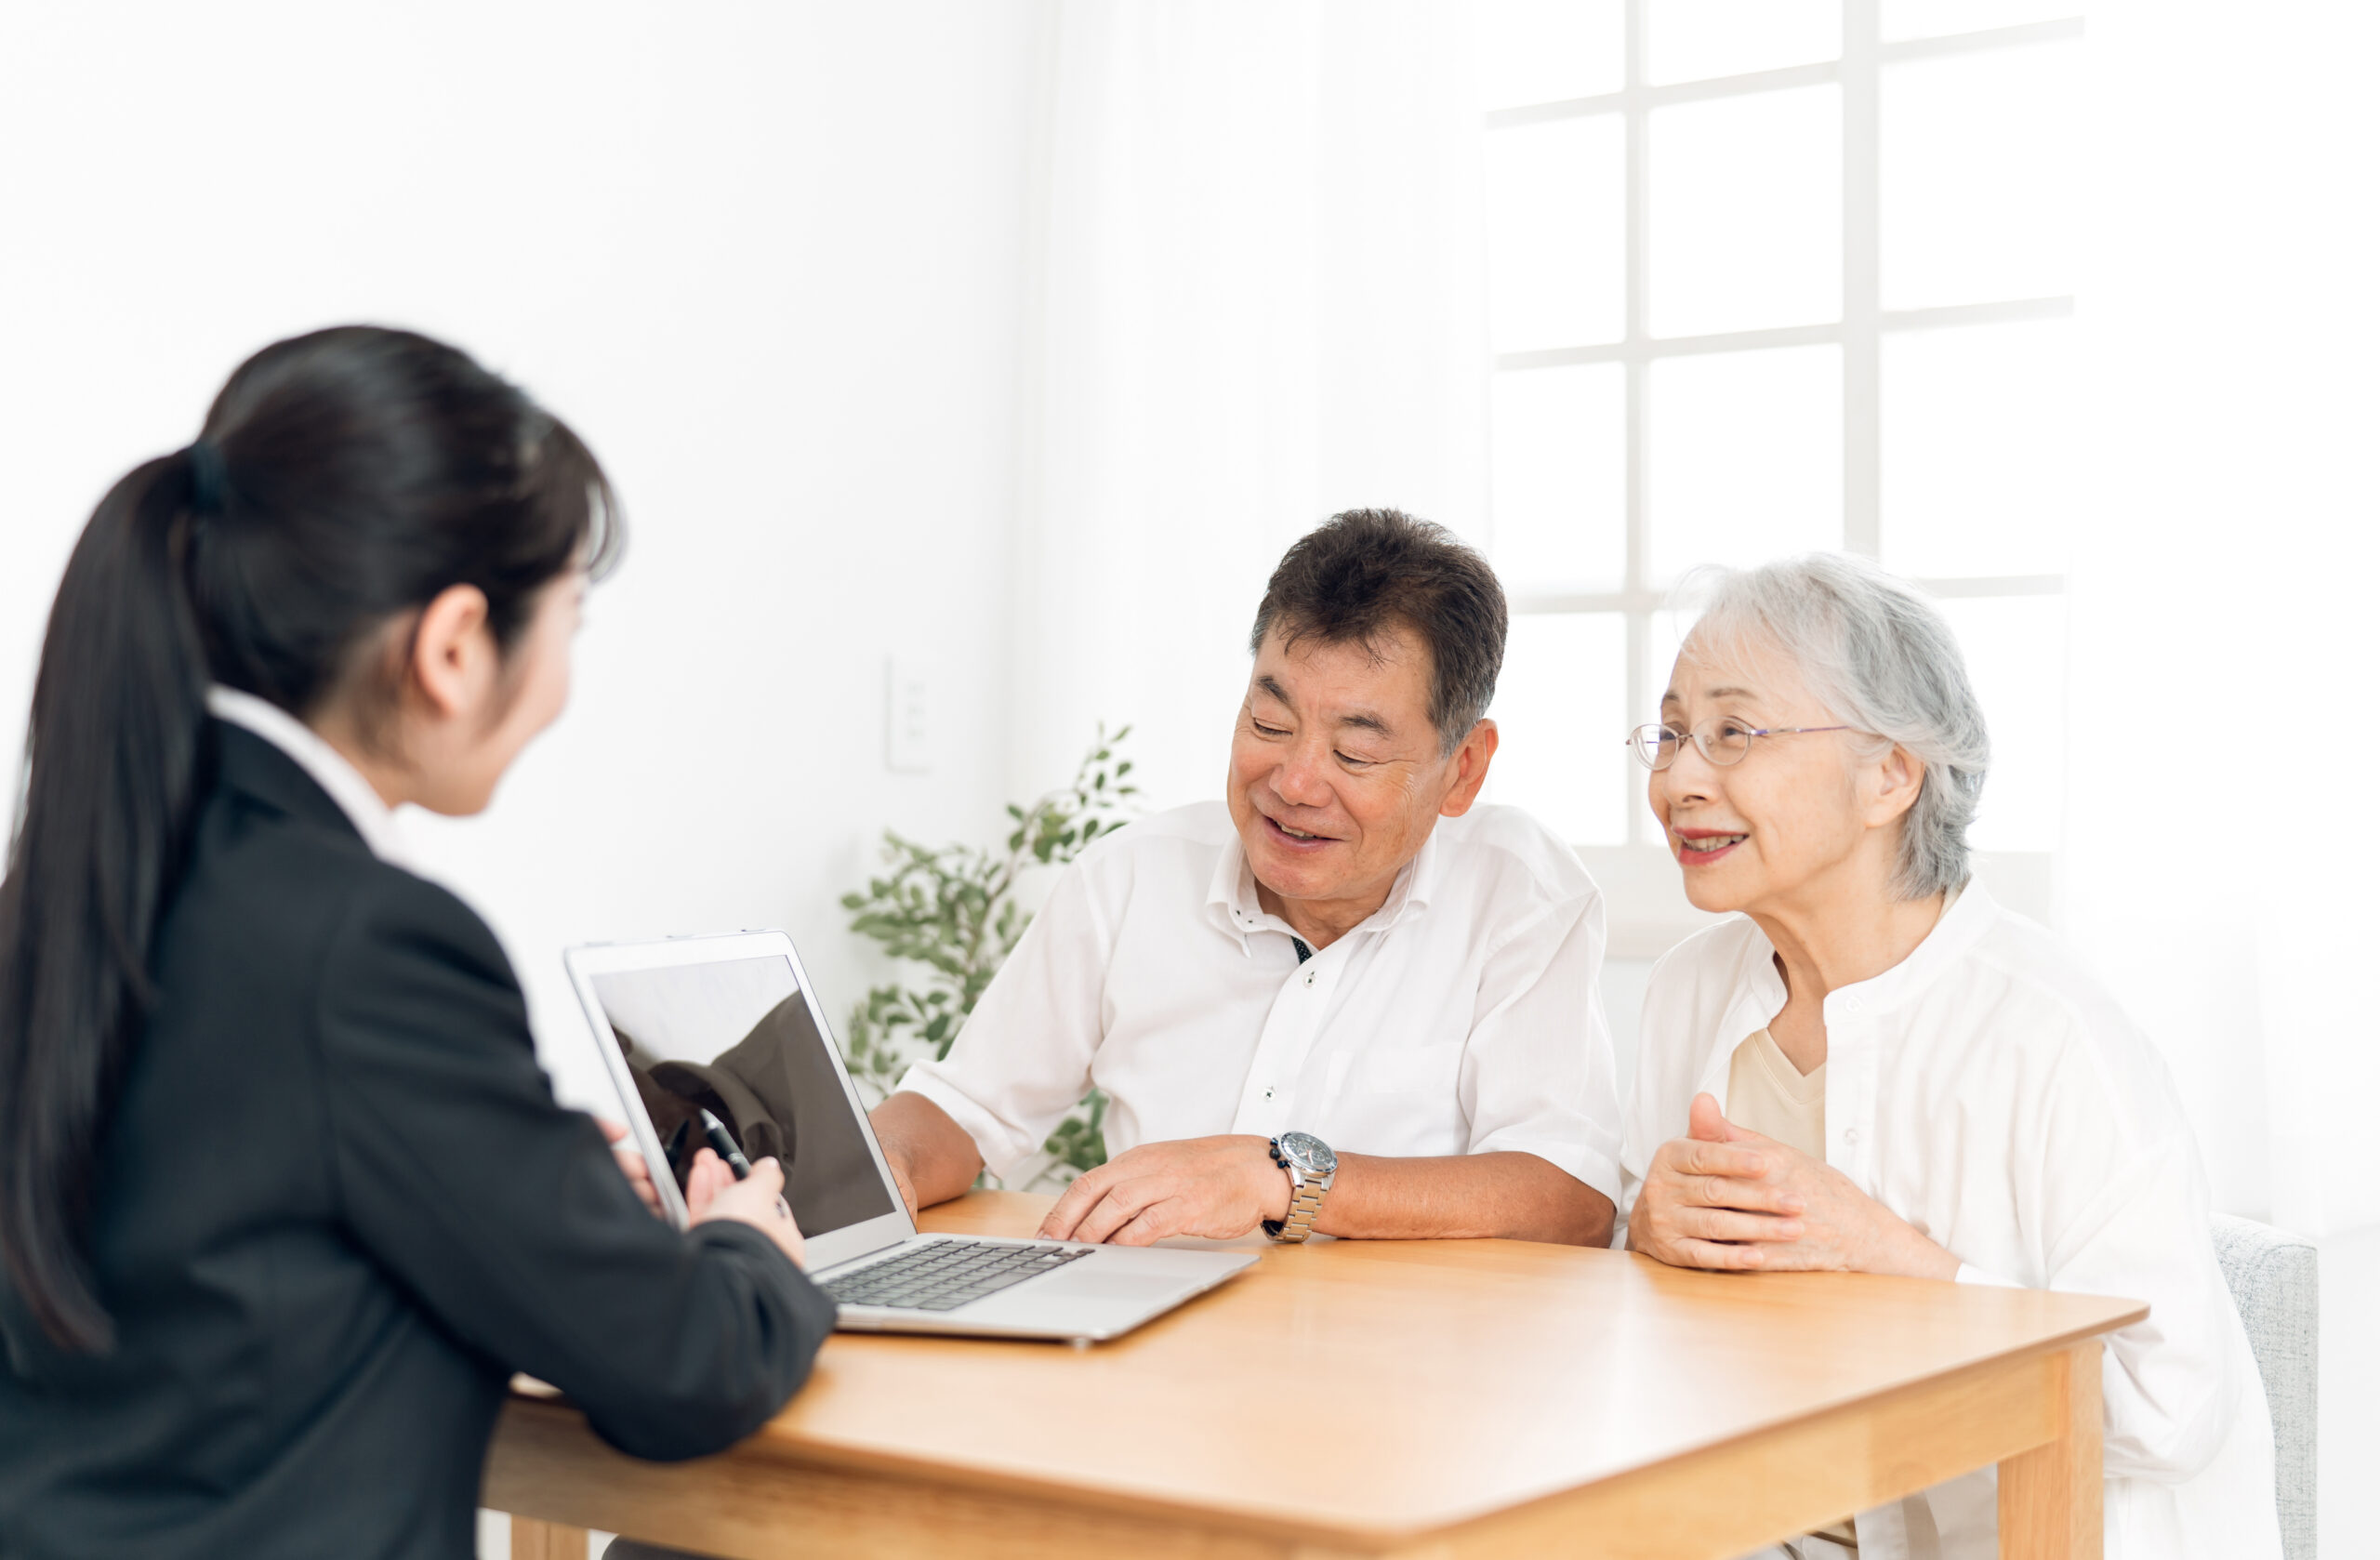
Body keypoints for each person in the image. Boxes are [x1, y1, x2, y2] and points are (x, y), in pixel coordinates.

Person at [0, 327, 831, 1560]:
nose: (561, 680)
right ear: (452, 647)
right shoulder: (364, 943)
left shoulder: (75, 884)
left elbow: (240, 1225)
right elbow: (682, 1364)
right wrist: (748, 1248)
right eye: (569, 622)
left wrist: (526, 1181)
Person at [1619, 553, 2281, 1560]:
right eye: (1669, 734)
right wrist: (1642, 1239)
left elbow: (2170, 1409)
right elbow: (1638, 1354)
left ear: (1889, 773)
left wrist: (1887, 1254)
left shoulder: (2054, 1036)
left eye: (1733, 733)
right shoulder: (1685, 993)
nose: (1677, 779)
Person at [871, 509, 1622, 1248]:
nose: (1294, 782)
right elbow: (965, 1108)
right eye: (1269, 724)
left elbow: (1568, 1196)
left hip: (1400, 1355)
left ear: (1463, 769)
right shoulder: (1129, 876)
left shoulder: (1520, 892)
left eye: (1354, 755)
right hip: (1144, 1339)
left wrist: (1285, 1178)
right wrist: (884, 1165)